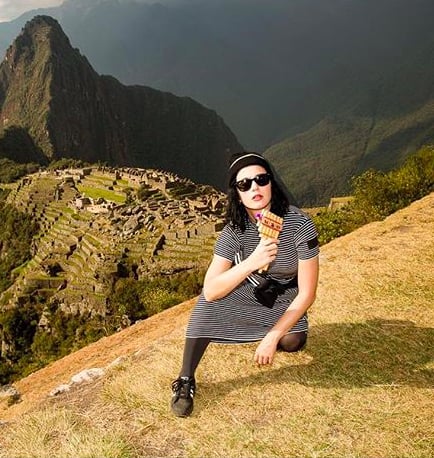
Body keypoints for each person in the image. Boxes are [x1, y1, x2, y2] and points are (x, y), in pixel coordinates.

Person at [170, 152, 320, 417]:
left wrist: (272, 336)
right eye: (245, 184)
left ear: (272, 182)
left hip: (285, 294)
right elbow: (212, 289)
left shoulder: (300, 224)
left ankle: (269, 331)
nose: (255, 188)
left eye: (261, 180)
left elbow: (307, 292)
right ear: (237, 193)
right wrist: (251, 262)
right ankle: (185, 379)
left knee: (292, 341)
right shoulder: (234, 230)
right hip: (249, 290)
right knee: (207, 304)